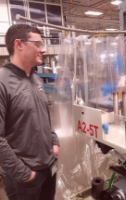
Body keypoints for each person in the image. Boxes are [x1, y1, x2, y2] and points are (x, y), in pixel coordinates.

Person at [0, 24, 60, 199]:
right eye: (38, 44)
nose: (43, 49)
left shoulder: (36, 79)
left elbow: (45, 117)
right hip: (25, 177)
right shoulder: (3, 82)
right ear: (19, 44)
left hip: (48, 167)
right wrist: (24, 174)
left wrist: (54, 142)